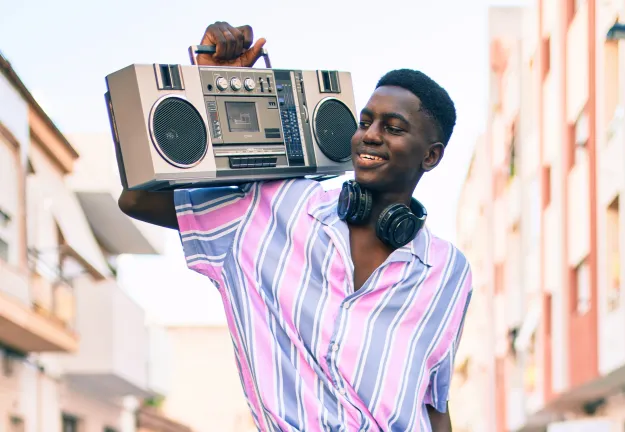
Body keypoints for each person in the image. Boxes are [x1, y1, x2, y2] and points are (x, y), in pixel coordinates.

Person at [119, 21, 473, 432]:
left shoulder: (450, 271)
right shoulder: (273, 206)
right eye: (365, 122)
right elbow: (136, 199)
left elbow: (434, 404)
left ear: (430, 157)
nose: (369, 137)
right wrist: (211, 86)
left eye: (392, 128)